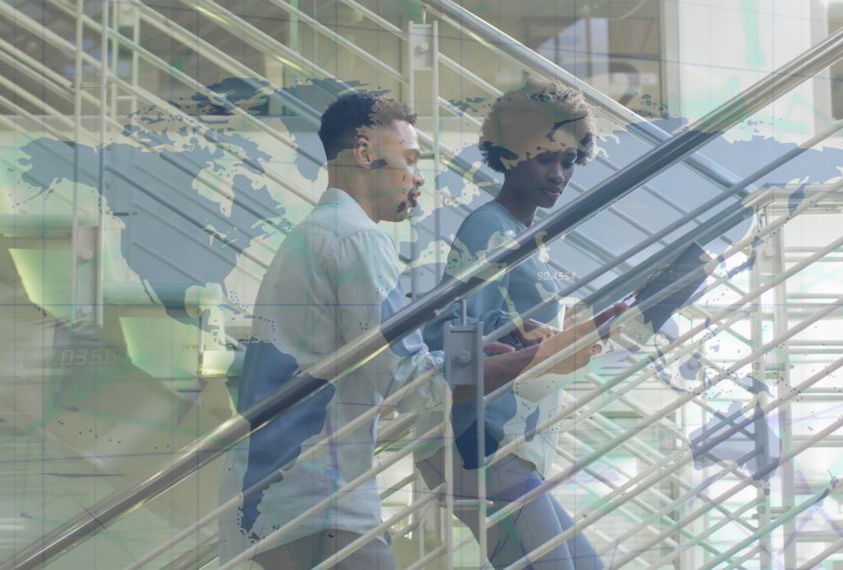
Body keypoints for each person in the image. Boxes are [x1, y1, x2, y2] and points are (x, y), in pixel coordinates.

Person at [218, 92, 606, 570]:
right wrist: (539, 358)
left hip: (281, 496)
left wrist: (502, 347)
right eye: (410, 159)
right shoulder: (357, 239)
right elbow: (413, 381)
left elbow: (401, 360)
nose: (419, 176)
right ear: (365, 153)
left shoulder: (316, 234)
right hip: (315, 501)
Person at [417, 79, 617, 570]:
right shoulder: (490, 230)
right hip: (480, 446)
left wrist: (555, 338)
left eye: (569, 161)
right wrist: (538, 347)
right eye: (544, 157)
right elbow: (448, 341)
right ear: (508, 155)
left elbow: (499, 329)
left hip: (510, 446)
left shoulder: (523, 235)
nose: (559, 174)